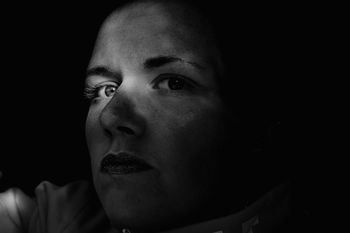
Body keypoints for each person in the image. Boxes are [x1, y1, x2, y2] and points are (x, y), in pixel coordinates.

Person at [0, 0, 295, 232]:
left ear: (258, 126)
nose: (111, 117)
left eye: (173, 83)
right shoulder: (55, 217)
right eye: (105, 89)